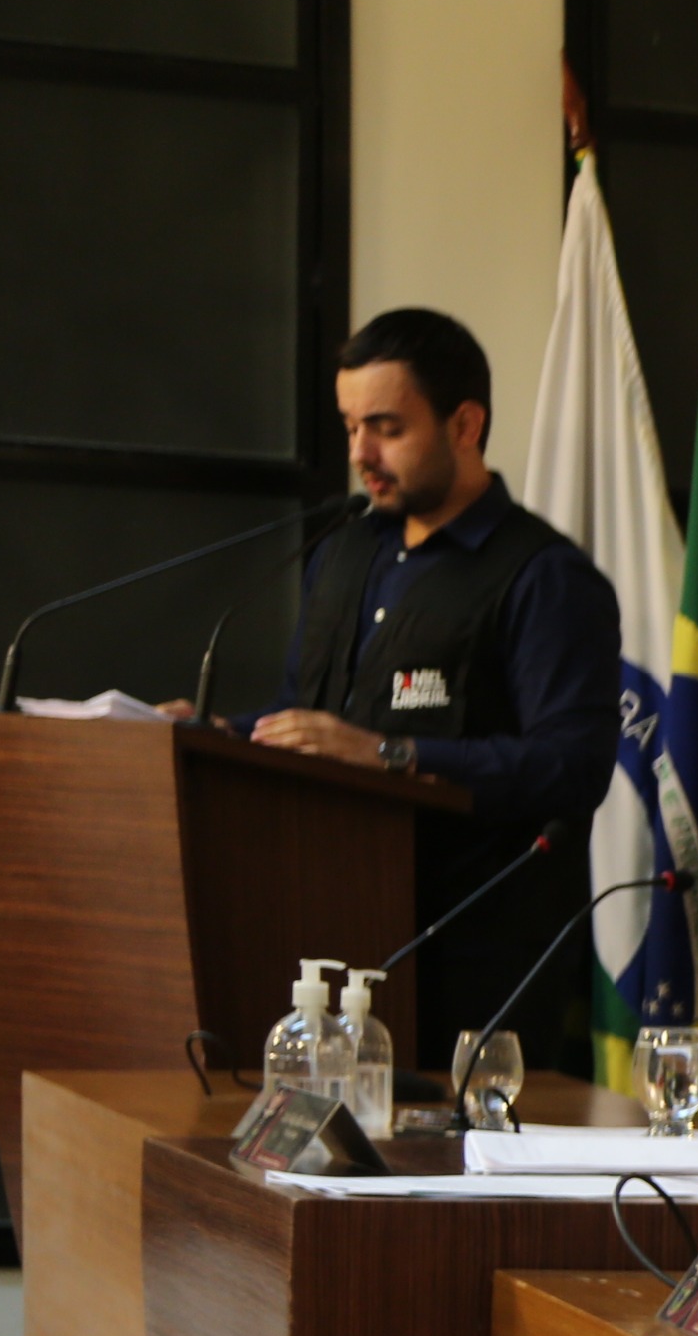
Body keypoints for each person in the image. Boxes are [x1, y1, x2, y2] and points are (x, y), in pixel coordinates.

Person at [245, 308, 623, 1074]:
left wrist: (393, 754)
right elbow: (312, 724)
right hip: (325, 934)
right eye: (351, 427)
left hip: (470, 962)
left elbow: (573, 764)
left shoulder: (545, 577)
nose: (360, 453)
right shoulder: (343, 555)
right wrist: (218, 728)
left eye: (385, 427)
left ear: (465, 424)